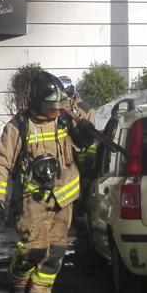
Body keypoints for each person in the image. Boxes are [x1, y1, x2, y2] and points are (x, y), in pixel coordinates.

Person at [0, 71, 94, 293]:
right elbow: (3, 164)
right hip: (34, 200)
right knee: (32, 251)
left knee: (55, 252)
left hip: (64, 199)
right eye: (52, 105)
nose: (57, 109)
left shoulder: (66, 119)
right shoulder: (19, 126)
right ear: (37, 102)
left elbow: (82, 145)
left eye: (60, 104)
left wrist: (85, 135)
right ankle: (18, 282)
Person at [58, 75, 97, 212]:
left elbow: (90, 139)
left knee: (82, 197)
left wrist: (88, 160)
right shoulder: (55, 111)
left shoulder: (86, 110)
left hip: (81, 161)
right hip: (63, 162)